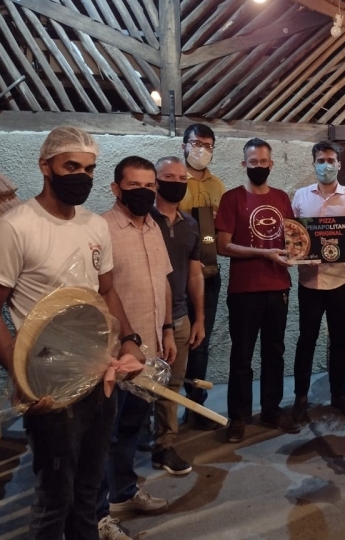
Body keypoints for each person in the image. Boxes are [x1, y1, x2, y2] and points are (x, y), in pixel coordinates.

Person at [0, 126, 145, 540]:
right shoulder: (14, 228)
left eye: (89, 169)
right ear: (45, 166)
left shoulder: (94, 226)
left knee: (89, 492)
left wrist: (129, 341)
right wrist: (24, 375)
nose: (82, 176)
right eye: (71, 166)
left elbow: (106, 292)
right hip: (49, 387)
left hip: (99, 375)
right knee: (55, 498)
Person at [96, 157, 175, 540]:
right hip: (115, 355)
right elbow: (99, 292)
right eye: (134, 186)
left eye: (149, 186)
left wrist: (167, 330)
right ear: (116, 189)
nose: (143, 192)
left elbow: (163, 282)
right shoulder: (101, 230)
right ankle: (98, 514)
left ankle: (124, 493)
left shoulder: (154, 226)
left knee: (131, 427)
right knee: (105, 435)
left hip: (151, 350)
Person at [215, 138, 301, 443]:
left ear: (271, 164)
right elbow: (223, 246)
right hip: (244, 290)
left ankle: (271, 411)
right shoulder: (231, 199)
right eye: (253, 162)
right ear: (244, 164)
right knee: (242, 356)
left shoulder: (282, 198)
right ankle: (238, 418)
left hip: (278, 287)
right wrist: (264, 253)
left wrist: (301, 253)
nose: (259, 166)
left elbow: (294, 240)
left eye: (264, 162)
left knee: (274, 353)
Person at [290, 141, 345, 423]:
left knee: (340, 340)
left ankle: (339, 395)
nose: (325, 165)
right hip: (310, 283)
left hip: (341, 281)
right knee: (306, 340)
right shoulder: (300, 197)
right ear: (313, 163)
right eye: (320, 160)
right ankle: (300, 398)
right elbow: (292, 235)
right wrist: (298, 252)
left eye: (330, 160)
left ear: (338, 164)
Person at [150, 156, 207, 473]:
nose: (176, 182)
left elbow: (196, 273)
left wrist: (199, 318)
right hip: (145, 319)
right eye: (169, 177)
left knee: (170, 386)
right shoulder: (142, 219)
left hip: (180, 316)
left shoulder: (192, 225)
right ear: (156, 181)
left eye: (182, 178)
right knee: (137, 388)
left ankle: (164, 446)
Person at [179, 124, 226, 430]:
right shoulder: (170, 179)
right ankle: (162, 410)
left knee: (201, 342)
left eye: (208, 146)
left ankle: (196, 407)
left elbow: (222, 233)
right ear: (184, 145)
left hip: (208, 273)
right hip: (175, 275)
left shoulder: (218, 186)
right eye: (197, 143)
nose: (202, 150)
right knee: (169, 342)